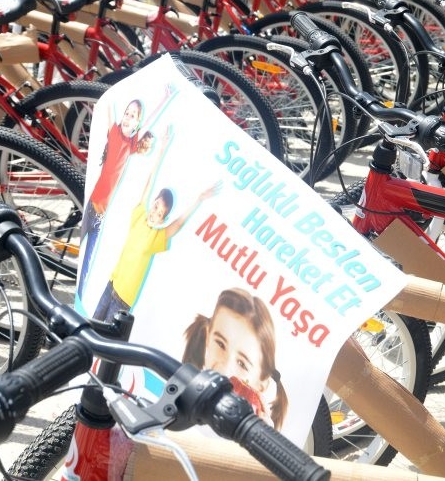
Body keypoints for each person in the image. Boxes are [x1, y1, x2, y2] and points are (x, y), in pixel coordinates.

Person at [91, 129, 220, 322]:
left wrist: (199, 199)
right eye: (156, 206)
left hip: (123, 300)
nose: (155, 213)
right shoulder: (139, 216)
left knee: (105, 345)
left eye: (160, 214)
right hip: (111, 284)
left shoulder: (156, 238)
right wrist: (161, 150)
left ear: (162, 220)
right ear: (153, 202)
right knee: (91, 327)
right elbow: (149, 183)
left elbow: (178, 223)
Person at [79, 88, 175, 297]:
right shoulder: (114, 133)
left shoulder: (131, 144)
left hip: (100, 216)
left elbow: (149, 121)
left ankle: (79, 297)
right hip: (92, 207)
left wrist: (165, 97)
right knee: (80, 250)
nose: (128, 118)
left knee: (86, 266)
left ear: (137, 124)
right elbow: (108, 108)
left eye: (133, 116)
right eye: (127, 113)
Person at [182, 288, 288, 429]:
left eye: (242, 364)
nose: (224, 370)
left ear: (260, 386)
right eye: (220, 344)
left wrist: (260, 436)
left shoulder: (249, 435)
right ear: (207, 336)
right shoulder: (179, 395)